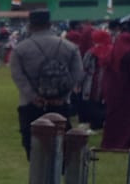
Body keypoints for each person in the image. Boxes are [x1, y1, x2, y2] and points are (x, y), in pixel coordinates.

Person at [9, 10, 82, 158]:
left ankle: (36, 179)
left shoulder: (20, 49)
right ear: (50, 24)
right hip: (60, 104)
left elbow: (18, 76)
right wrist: (64, 95)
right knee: (61, 144)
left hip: (31, 105)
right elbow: (77, 74)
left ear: (30, 26)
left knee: (33, 146)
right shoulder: (69, 47)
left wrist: (33, 96)